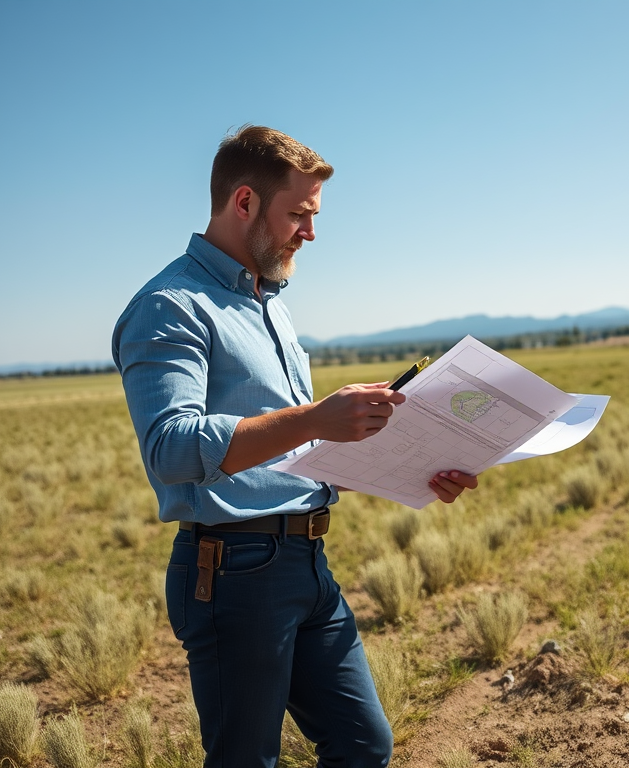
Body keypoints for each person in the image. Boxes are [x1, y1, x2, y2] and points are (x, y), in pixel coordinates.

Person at [112, 125, 478, 768]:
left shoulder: (269, 304)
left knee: (364, 744)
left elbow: (294, 454)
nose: (310, 233)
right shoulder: (170, 306)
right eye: (300, 215)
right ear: (245, 202)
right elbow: (169, 450)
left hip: (309, 562)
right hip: (233, 571)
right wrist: (315, 417)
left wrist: (421, 466)